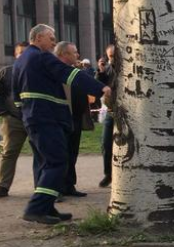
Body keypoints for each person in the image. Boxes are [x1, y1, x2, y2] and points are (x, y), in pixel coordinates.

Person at [12, 25, 109, 224]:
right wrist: (101, 89)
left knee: (45, 163)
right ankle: (36, 208)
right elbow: (70, 74)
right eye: (51, 38)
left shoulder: (21, 61)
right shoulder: (42, 57)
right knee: (57, 162)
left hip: (32, 119)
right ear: (39, 38)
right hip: (47, 119)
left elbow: (16, 97)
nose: (54, 42)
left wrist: (27, 115)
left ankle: (47, 207)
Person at [55, 41, 92, 198]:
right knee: (60, 154)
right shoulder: (56, 71)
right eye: (74, 52)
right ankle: (57, 188)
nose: (78, 55)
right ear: (64, 54)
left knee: (72, 152)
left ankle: (69, 185)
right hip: (61, 118)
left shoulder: (76, 71)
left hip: (75, 117)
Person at [0, 42, 30, 197]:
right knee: (8, 152)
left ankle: (44, 188)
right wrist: (4, 111)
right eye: (21, 53)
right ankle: (2, 186)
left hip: (35, 119)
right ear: (15, 55)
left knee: (42, 154)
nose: (24, 56)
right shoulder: (6, 72)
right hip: (13, 119)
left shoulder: (39, 71)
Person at [95, 44, 117, 188]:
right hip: (111, 110)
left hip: (127, 111)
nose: (112, 59)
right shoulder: (108, 69)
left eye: (114, 56)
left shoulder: (127, 68)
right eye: (110, 56)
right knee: (106, 143)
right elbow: (97, 86)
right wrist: (101, 72)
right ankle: (108, 174)